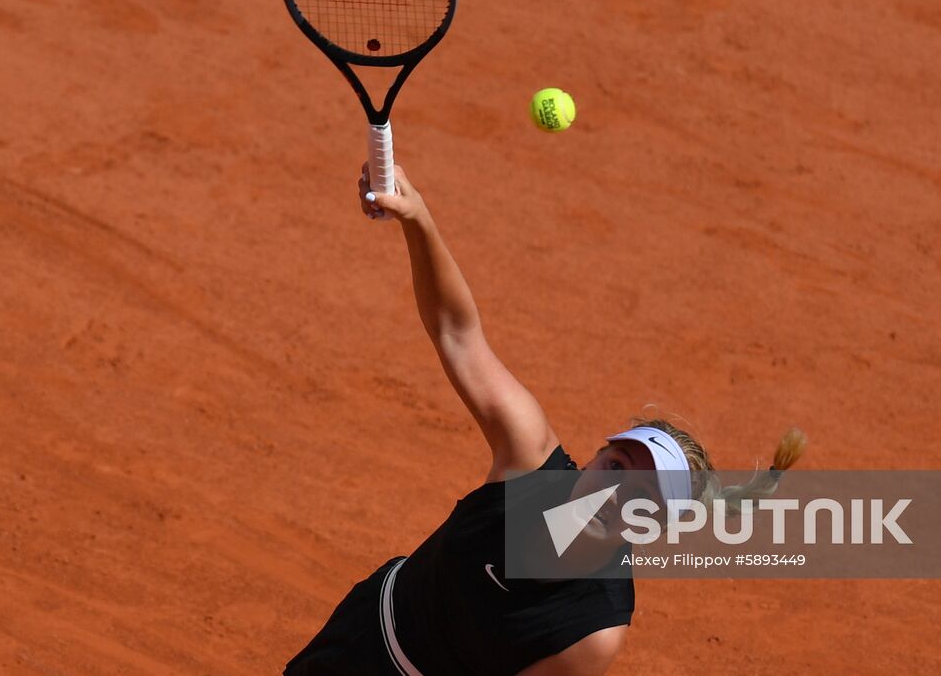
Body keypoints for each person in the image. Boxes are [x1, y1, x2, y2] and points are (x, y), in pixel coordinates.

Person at [286, 165, 806, 676]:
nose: (614, 494)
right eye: (618, 466)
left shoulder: (590, 632)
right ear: (600, 455)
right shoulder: (528, 458)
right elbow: (457, 333)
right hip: (363, 628)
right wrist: (418, 216)